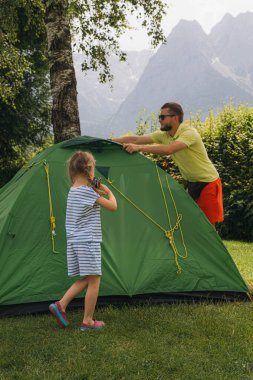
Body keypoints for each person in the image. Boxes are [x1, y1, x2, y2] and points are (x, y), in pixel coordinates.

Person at [112, 102, 223, 226]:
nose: (160, 121)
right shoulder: (164, 135)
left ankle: (212, 246)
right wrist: (109, 141)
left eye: (162, 117)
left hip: (208, 181)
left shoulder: (189, 133)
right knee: (190, 223)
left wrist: (138, 148)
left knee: (208, 225)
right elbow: (135, 139)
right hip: (192, 182)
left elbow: (168, 150)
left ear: (175, 117)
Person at [49, 151, 117, 331]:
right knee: (95, 280)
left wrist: (95, 188)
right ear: (89, 170)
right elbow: (113, 206)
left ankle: (61, 305)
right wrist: (107, 190)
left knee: (89, 277)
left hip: (76, 242)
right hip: (88, 241)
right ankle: (88, 321)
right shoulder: (88, 193)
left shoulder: (73, 191)